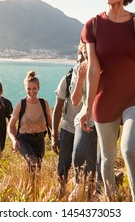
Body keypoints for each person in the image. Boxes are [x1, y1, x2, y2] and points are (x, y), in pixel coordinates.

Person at [79, 0, 135, 201]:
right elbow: (93, 69)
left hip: (134, 94)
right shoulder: (93, 26)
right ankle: (111, 204)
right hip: (106, 98)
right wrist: (86, 107)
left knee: (130, 149)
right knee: (108, 159)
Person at [68, 41, 102, 201]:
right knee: (78, 153)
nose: (87, 57)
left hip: (104, 120)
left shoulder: (105, 66)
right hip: (84, 117)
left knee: (93, 167)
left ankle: (91, 199)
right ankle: (77, 183)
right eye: (85, 54)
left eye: (90, 53)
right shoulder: (78, 69)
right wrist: (81, 78)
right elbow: (74, 101)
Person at [52, 51, 84, 199]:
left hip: (85, 128)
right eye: (80, 58)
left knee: (82, 162)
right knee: (63, 164)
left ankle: (82, 191)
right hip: (68, 127)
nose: (82, 61)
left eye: (85, 58)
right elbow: (57, 107)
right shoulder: (68, 79)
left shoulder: (94, 77)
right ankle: (61, 190)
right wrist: (54, 134)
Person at [7, 70, 52, 173]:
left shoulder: (44, 103)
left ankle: (31, 187)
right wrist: (14, 140)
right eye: (29, 88)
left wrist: (55, 135)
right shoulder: (20, 105)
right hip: (24, 140)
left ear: (38, 88)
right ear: (25, 89)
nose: (31, 91)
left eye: (34, 88)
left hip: (40, 139)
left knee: (37, 169)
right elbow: (10, 126)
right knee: (32, 161)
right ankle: (29, 187)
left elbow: (50, 122)